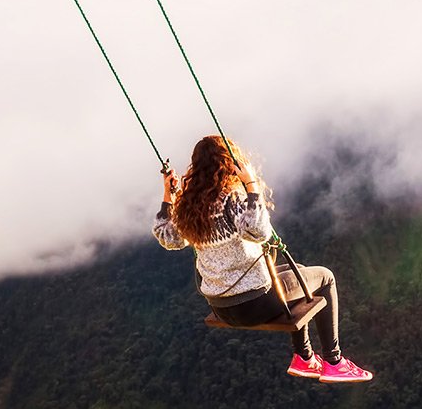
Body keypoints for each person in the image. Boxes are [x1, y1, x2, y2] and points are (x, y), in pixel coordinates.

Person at [153, 135, 373, 383]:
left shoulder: (190, 207)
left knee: (298, 270)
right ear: (229, 164)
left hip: (222, 308)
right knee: (326, 277)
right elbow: (259, 233)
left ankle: (305, 357)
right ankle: (334, 361)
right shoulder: (230, 199)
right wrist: (252, 186)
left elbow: (169, 238)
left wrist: (168, 194)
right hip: (254, 303)